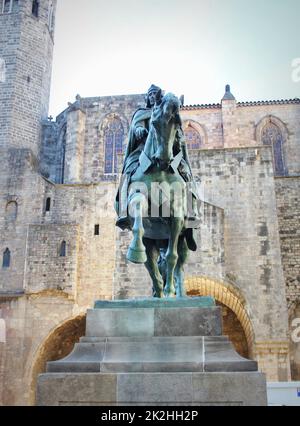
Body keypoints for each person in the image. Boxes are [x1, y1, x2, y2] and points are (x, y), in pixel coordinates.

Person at [115, 84, 200, 230]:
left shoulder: (169, 113)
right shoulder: (141, 113)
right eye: (151, 94)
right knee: (128, 170)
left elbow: (177, 131)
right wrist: (140, 130)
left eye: (155, 94)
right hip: (142, 152)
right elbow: (136, 126)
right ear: (147, 98)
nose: (153, 96)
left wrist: (178, 138)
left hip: (169, 151)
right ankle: (123, 212)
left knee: (186, 172)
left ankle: (192, 212)